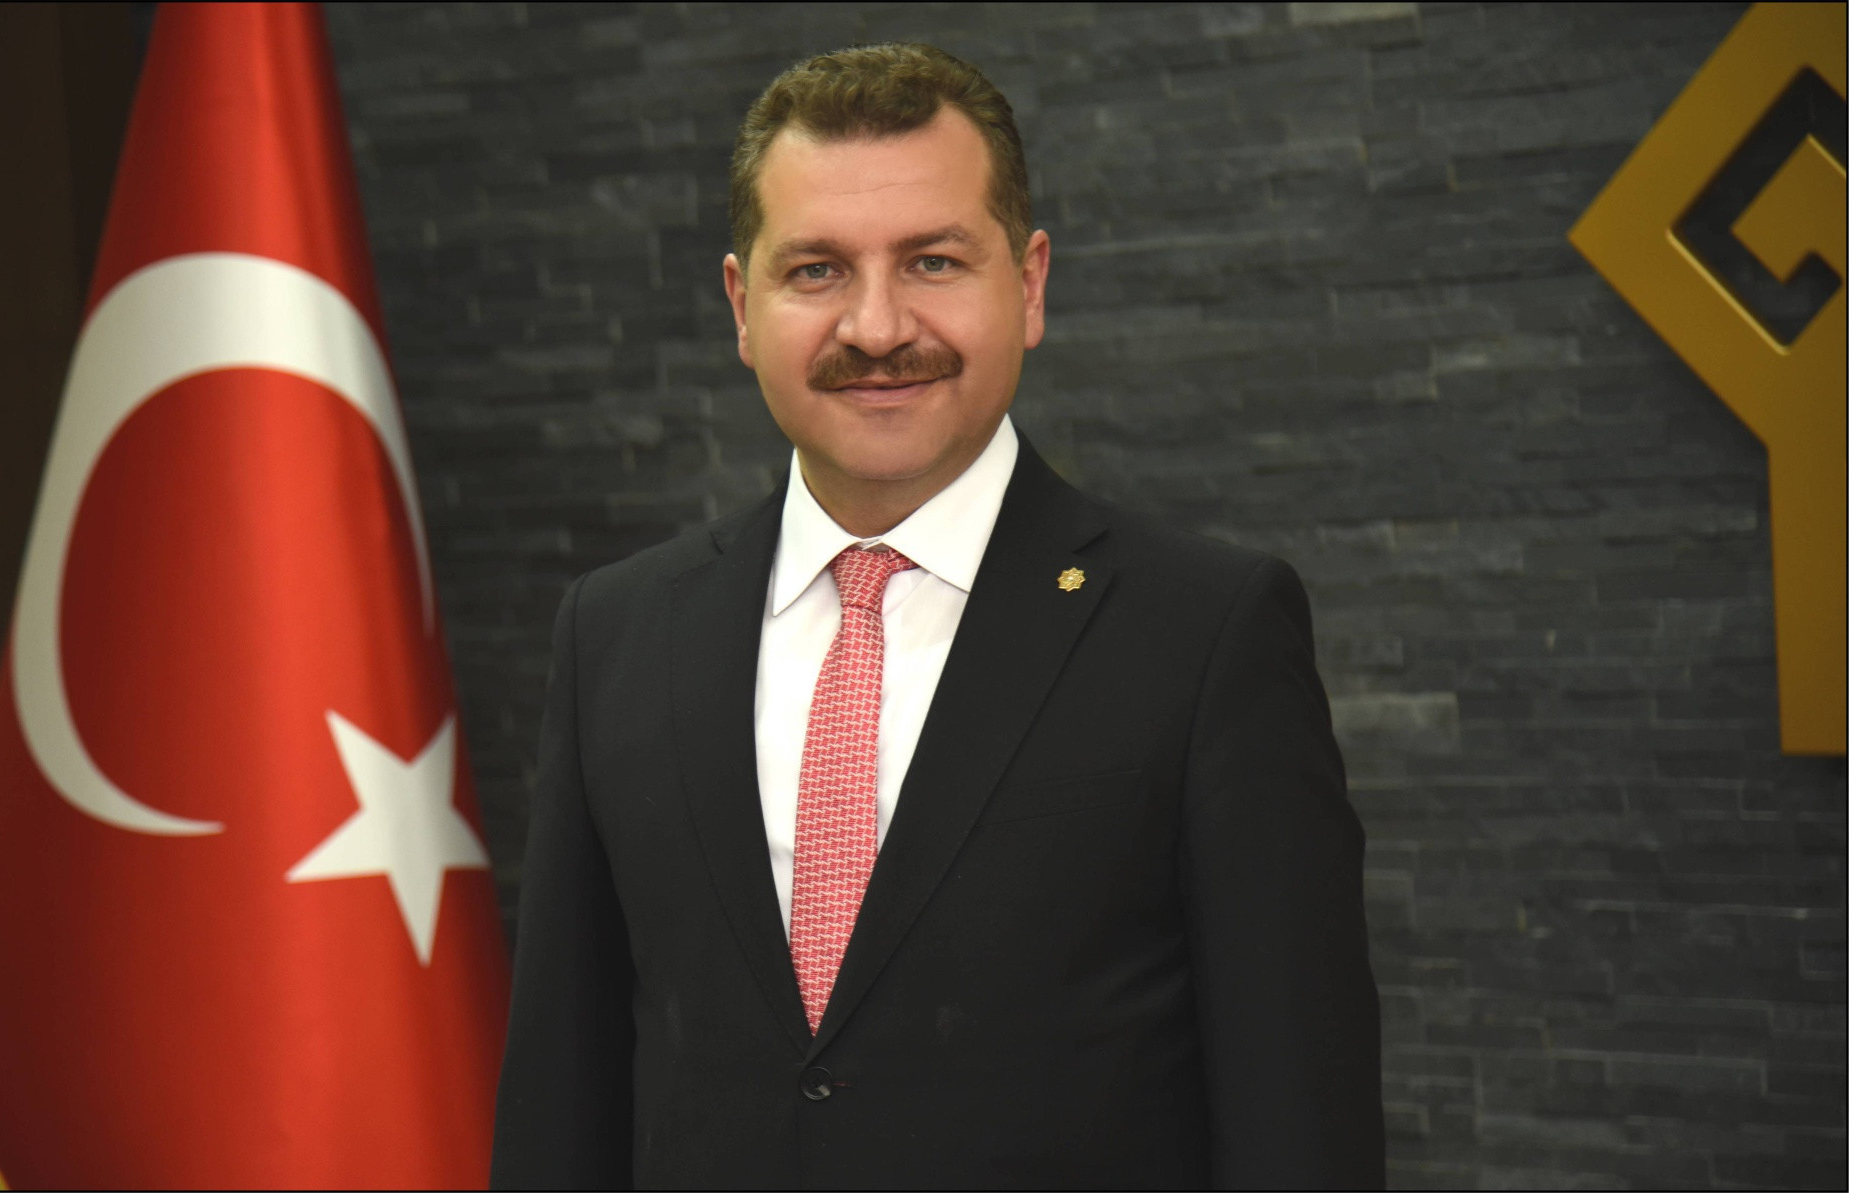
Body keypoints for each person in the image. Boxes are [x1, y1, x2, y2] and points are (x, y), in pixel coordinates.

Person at [490, 42, 1382, 1190]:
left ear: (1031, 284)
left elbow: (1298, 1118)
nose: (875, 326)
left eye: (933, 261)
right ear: (742, 306)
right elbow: (561, 1105)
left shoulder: (1207, 635)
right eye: (817, 269)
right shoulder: (615, 634)